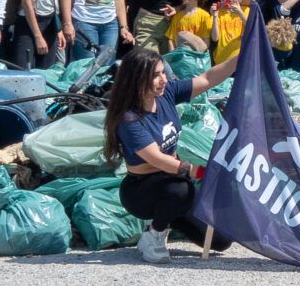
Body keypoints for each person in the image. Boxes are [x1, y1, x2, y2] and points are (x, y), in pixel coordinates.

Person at [102, 42, 243, 262]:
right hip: (141, 190)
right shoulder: (129, 120)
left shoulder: (166, 94)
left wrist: (240, 55)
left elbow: (207, 79)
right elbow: (157, 159)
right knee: (181, 190)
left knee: (221, 240)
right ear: (137, 78)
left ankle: (168, 216)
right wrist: (200, 173)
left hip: (173, 181)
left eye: (163, 73)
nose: (164, 79)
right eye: (156, 75)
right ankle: (154, 235)